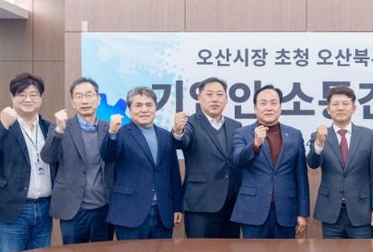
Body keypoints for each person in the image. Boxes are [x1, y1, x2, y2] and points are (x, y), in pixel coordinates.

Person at [0, 73, 56, 252]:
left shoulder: (49, 127)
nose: (28, 99)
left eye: (33, 94)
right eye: (22, 94)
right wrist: (3, 124)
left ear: (41, 97)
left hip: (44, 209)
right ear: (12, 96)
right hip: (12, 208)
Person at [100, 86, 183, 240]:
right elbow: (109, 156)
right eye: (138, 105)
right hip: (130, 212)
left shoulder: (166, 136)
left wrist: (177, 207)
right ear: (129, 110)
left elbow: (174, 174)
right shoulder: (121, 134)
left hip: (163, 212)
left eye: (149, 105)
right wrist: (112, 133)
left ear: (155, 108)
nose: (144, 110)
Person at [40, 77, 114, 244]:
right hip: (72, 208)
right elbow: (48, 157)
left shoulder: (109, 129)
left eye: (89, 95)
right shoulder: (60, 128)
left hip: (104, 208)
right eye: (79, 96)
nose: (84, 101)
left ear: (98, 99)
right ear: (73, 102)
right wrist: (59, 130)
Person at [230, 85, 309, 238]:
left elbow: (301, 176)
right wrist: (255, 144)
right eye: (263, 103)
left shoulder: (295, 135)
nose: (269, 107)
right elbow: (238, 160)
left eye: (273, 103)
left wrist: (302, 212)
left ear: (280, 107)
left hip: (286, 211)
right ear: (255, 108)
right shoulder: (242, 133)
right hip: (252, 210)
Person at [307, 86, 373, 238]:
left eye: (345, 103)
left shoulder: (368, 136)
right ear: (328, 110)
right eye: (335, 104)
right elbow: (313, 164)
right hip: (331, 211)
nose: (340, 108)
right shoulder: (318, 135)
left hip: (362, 211)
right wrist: (319, 143)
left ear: (354, 108)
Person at [172, 77, 242, 238]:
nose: (214, 99)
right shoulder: (190, 123)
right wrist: (177, 130)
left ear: (226, 99)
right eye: (209, 94)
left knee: (229, 251)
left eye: (219, 94)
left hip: (231, 203)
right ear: (199, 98)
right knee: (200, 251)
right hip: (200, 203)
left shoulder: (235, 126)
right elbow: (181, 141)